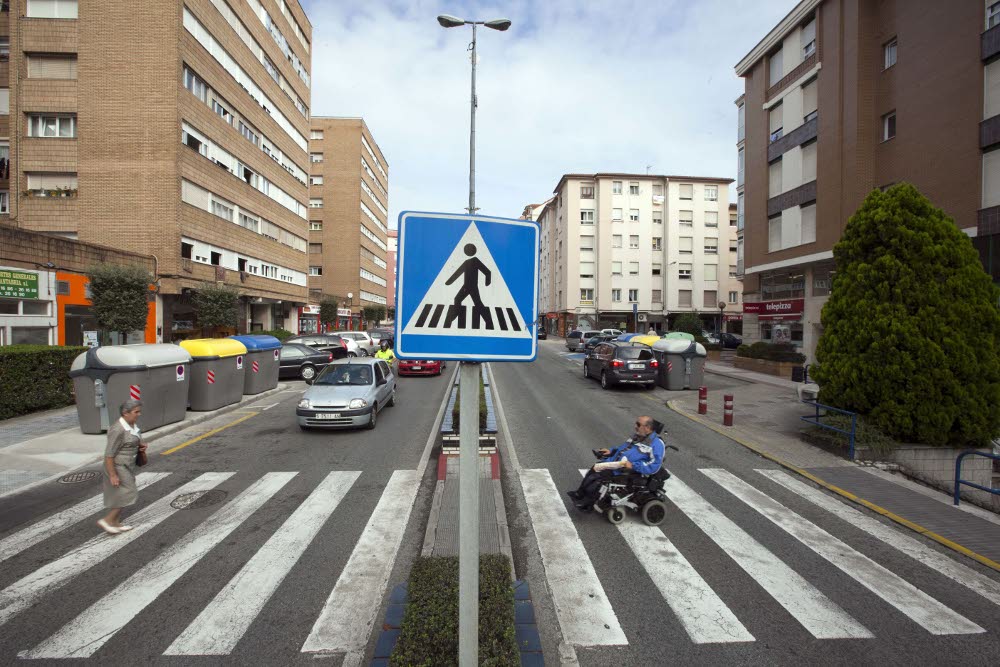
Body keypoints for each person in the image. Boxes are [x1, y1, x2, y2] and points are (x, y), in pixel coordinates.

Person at [567, 415, 665, 512]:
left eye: (638, 424)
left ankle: (588, 504)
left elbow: (654, 465)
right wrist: (611, 451)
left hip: (628, 470)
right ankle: (580, 493)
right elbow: (622, 448)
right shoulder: (637, 436)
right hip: (616, 463)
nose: (635, 426)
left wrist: (633, 465)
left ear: (647, 427)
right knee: (595, 468)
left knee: (600, 477)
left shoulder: (657, 444)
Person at [98, 399, 147, 535]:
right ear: (126, 413)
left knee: (120, 494)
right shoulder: (118, 429)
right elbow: (109, 454)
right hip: (117, 466)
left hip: (127, 465)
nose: (139, 414)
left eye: (139, 411)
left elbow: (131, 443)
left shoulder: (132, 426)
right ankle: (107, 520)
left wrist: (141, 446)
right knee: (128, 492)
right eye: (136, 412)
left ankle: (116, 523)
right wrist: (112, 474)